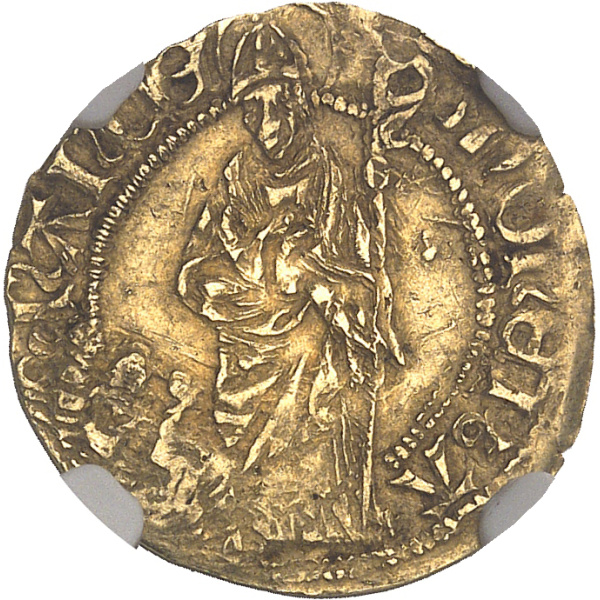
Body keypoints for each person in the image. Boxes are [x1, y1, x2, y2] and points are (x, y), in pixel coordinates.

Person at [177, 22, 403, 542]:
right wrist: (266, 267)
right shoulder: (236, 178)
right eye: (251, 110)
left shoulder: (334, 177)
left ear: (298, 103)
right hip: (250, 345)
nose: (263, 124)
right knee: (257, 488)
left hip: (318, 351)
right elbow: (194, 274)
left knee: (327, 401)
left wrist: (319, 276)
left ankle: (332, 530)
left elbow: (363, 275)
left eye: (273, 105)